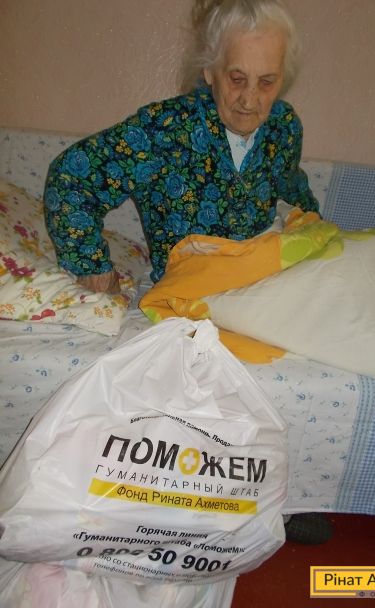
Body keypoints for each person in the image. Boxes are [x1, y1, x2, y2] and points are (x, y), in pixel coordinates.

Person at [43, 0, 332, 544]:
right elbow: (71, 177)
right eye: (237, 78)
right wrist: (89, 263)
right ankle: (205, 505)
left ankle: (280, 497)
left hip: (259, 280)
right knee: (198, 379)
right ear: (210, 72)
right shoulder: (164, 128)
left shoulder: (283, 126)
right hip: (188, 291)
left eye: (267, 82)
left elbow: (291, 186)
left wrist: (313, 230)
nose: (250, 100)